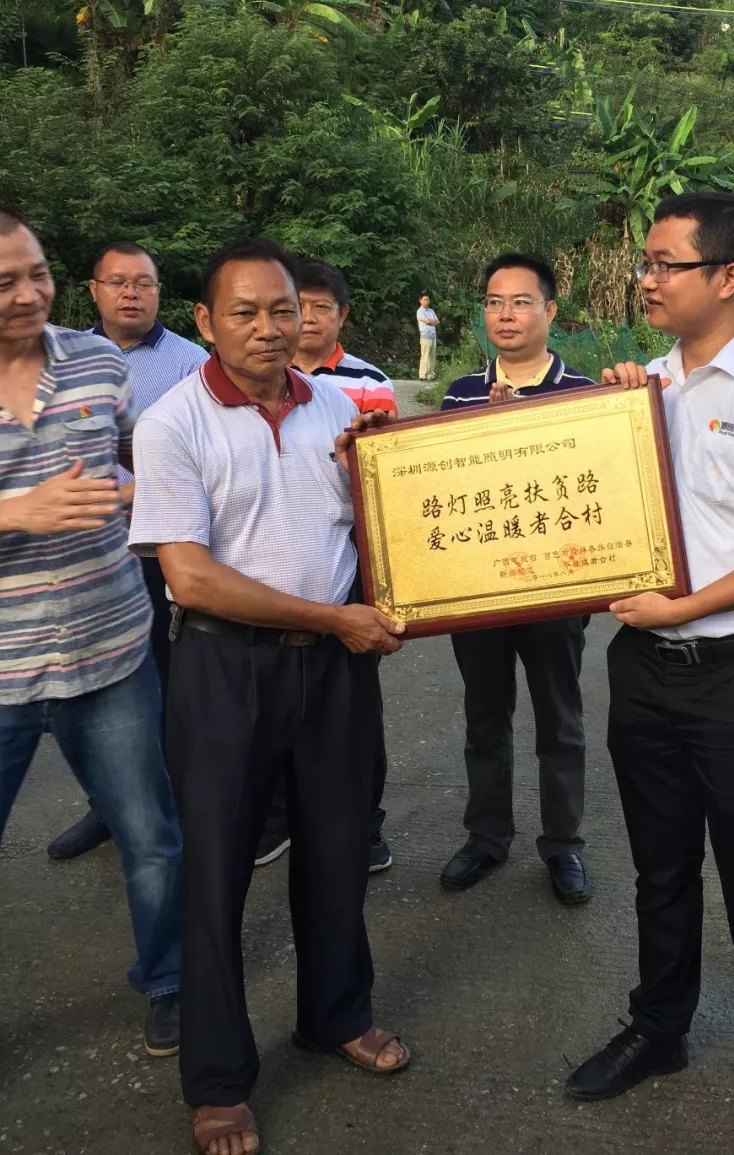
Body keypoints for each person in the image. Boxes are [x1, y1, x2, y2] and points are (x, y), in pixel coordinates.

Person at [565, 194, 734, 1155]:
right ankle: (660, 1027)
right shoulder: (645, 387)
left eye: (664, 263)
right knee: (660, 868)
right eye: (646, 261)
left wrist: (682, 607)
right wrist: (607, 413)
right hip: (645, 669)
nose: (645, 278)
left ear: (727, 277)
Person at [129, 236, 409, 1155]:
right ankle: (217, 1081)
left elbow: (378, 527)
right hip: (225, 669)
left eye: (282, 309)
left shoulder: (337, 406)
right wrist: (336, 619)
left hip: (335, 671)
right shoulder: (172, 424)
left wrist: (382, 504)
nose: (267, 328)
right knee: (215, 872)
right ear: (205, 321)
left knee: (337, 848)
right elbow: (192, 578)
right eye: (244, 313)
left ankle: (336, 1015)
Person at [0, 208, 183, 1059]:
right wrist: (17, 511)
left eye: (36, 273)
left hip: (111, 651)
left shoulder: (98, 361)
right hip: (4, 670)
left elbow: (140, 456)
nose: (27, 293)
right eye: (5, 281)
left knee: (150, 838)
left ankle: (171, 980)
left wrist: (143, 491)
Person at [440, 254, 595, 904]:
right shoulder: (460, 394)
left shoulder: (585, 393)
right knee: (485, 716)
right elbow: (444, 493)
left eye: (521, 301)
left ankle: (563, 845)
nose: (505, 315)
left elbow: (595, 487)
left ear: (550, 311)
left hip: (555, 592)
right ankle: (486, 836)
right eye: (494, 302)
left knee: (560, 719)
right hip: (478, 591)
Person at [48, 240, 207, 863]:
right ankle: (107, 806)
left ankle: (168, 807)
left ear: (160, 292)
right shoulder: (63, 357)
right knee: (86, 688)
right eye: (117, 282)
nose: (131, 293)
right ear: (94, 290)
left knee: (163, 685)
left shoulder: (191, 362)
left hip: (158, 552)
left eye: (143, 282)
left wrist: (128, 494)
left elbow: (202, 456)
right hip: (78, 552)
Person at [249, 258, 396, 873]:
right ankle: (278, 818)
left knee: (351, 709)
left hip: (350, 565)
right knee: (273, 709)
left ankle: (363, 823)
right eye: (295, 307)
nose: (303, 320)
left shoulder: (363, 384)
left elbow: (388, 474)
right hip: (267, 579)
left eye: (317, 308)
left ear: (342, 315)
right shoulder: (250, 383)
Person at [417, 292, 439, 381]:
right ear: (420, 301)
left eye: (428, 300)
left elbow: (437, 321)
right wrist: (431, 321)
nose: (426, 301)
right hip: (425, 336)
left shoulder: (431, 311)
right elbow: (427, 321)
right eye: (425, 300)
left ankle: (430, 374)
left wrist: (430, 321)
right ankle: (422, 374)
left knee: (432, 356)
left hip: (433, 336)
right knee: (425, 355)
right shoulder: (420, 311)